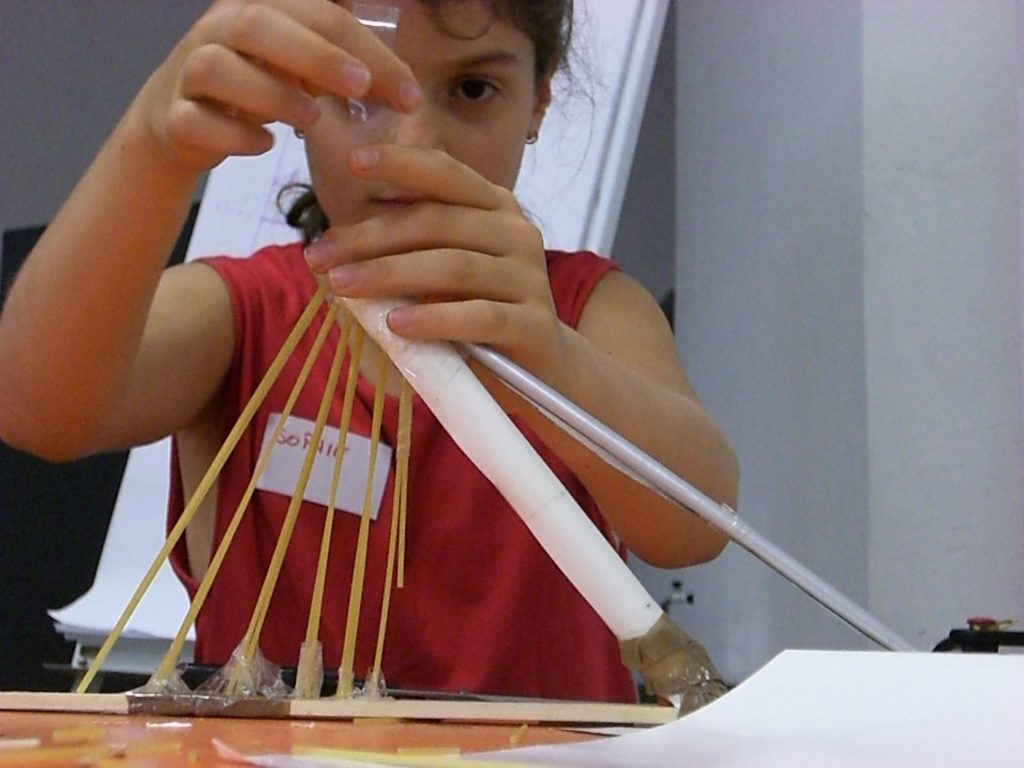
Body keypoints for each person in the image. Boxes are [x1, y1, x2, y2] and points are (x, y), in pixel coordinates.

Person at [0, 0, 738, 702]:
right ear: (299, 99)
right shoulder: (246, 314)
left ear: (540, 100)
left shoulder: (584, 313)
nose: (412, 146)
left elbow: (696, 523)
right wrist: (156, 152)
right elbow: (36, 409)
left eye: (473, 88)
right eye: (360, 94)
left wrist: (549, 355)